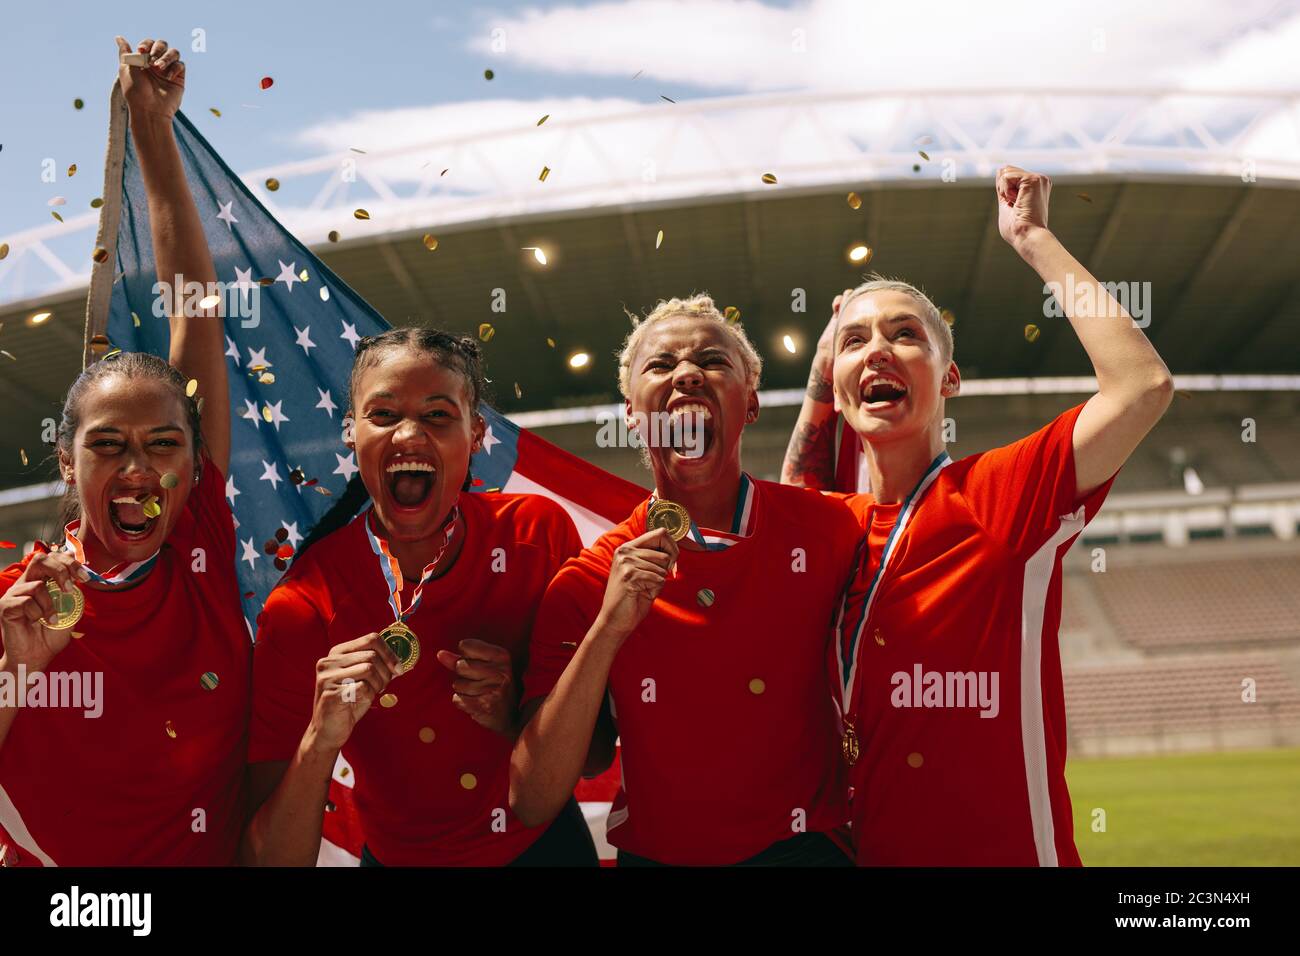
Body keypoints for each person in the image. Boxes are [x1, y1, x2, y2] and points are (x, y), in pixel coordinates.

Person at [781, 166, 1174, 865]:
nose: (878, 348)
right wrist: (821, 365)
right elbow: (798, 484)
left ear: (949, 378)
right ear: (837, 390)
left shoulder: (1001, 493)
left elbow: (1142, 387)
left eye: (905, 334)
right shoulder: (831, 530)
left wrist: (1033, 238)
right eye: (855, 341)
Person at [0, 37, 244, 865]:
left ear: (195, 463)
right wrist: (16, 672)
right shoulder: (15, 605)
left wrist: (152, 130)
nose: (139, 468)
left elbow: (195, 312)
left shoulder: (201, 541)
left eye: (163, 443)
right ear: (67, 463)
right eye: (108, 446)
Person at [511, 295, 863, 866]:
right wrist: (608, 629)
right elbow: (532, 798)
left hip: (807, 851)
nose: (687, 374)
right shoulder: (587, 583)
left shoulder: (834, 531)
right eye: (660, 364)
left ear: (750, 403)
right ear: (632, 415)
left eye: (713, 361)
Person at [242, 328, 598, 866]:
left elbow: (594, 757)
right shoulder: (301, 604)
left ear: (475, 434)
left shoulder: (536, 536)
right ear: (351, 432)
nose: (408, 435)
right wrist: (320, 739)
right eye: (384, 415)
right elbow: (269, 860)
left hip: (544, 850)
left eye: (437, 415)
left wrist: (516, 713)